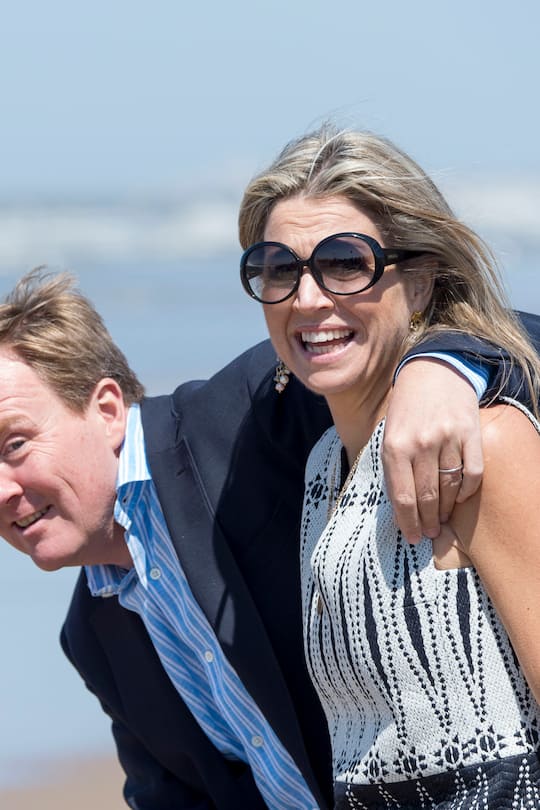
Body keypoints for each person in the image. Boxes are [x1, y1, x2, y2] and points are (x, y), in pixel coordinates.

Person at [0, 273, 537, 810]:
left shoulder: (247, 418)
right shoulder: (91, 636)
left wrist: (439, 368)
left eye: (16, 444)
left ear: (107, 410)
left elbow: (518, 336)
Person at [238, 123, 540, 808]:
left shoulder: (483, 444)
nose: (308, 299)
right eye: (279, 268)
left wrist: (449, 363)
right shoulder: (322, 466)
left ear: (422, 278)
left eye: (346, 262)